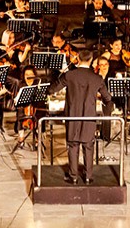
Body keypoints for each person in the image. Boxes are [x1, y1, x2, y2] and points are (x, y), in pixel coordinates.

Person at [48, 50, 114, 185]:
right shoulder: (97, 78)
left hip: (73, 115)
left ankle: (73, 176)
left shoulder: (69, 75)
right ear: (91, 61)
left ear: (78, 59)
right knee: (88, 145)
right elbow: (108, 98)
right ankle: (88, 176)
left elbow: (51, 90)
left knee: (73, 144)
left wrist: (60, 77)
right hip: (89, 116)